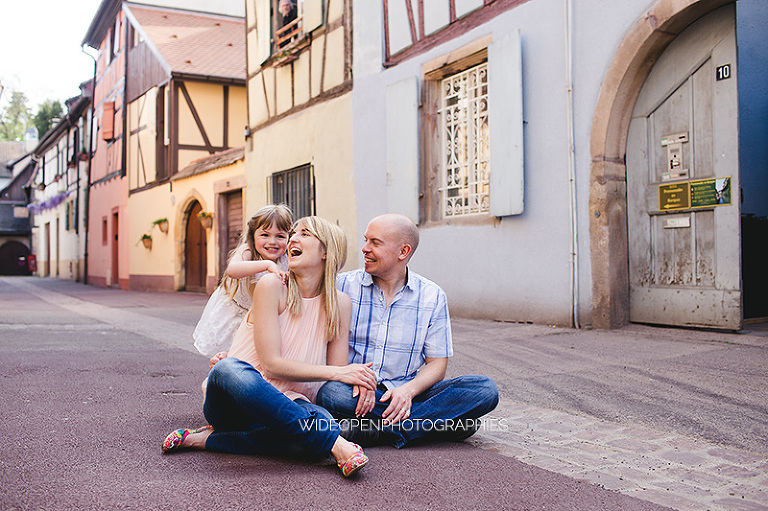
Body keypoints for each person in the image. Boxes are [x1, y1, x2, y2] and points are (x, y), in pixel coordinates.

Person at [163, 216, 376, 477]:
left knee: (314, 432)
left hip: (290, 405)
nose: (292, 239)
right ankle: (334, 443)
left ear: (326, 252)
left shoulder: (340, 304)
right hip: (236, 401)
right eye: (294, 233)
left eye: (305, 234)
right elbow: (272, 365)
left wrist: (360, 382)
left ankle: (206, 440)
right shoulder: (272, 285)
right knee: (227, 368)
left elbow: (336, 374)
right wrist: (339, 373)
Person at [315, 213, 499, 448]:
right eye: (366, 240)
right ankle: (435, 425)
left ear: (403, 252)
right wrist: (354, 378)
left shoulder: (432, 296)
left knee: (484, 390)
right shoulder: (342, 285)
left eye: (375, 243)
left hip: (408, 393)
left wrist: (407, 392)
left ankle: (374, 431)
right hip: (353, 392)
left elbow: (436, 363)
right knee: (330, 395)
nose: (364, 249)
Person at [193, 204, 292, 358]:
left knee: (255, 357)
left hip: (263, 318)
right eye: (265, 235)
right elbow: (232, 270)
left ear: (288, 238)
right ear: (253, 235)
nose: (272, 242)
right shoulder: (247, 251)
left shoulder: (286, 259)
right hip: (237, 314)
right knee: (228, 356)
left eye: (280, 236)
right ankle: (216, 376)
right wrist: (267, 265)